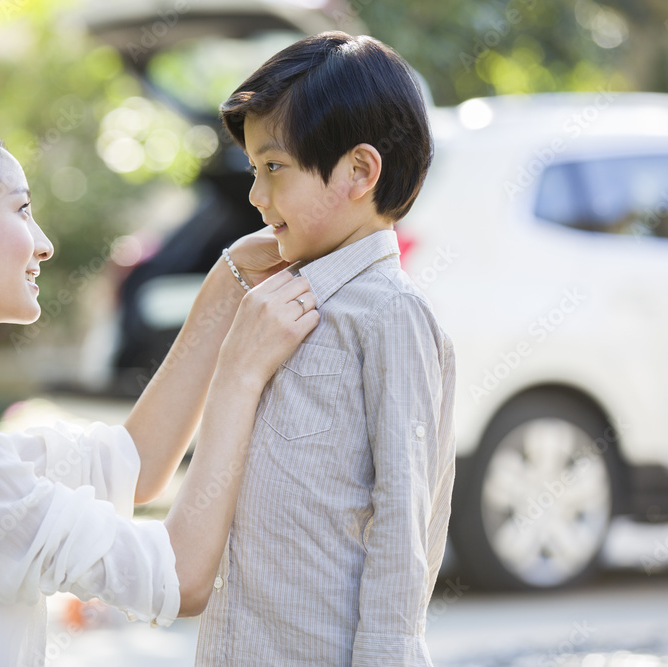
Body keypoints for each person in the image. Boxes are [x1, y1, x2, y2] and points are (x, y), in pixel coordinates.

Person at [0, 115, 318, 666]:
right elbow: (180, 577)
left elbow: (135, 465)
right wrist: (241, 372)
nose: (42, 245)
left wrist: (229, 276)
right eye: (22, 209)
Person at [195, 32, 457, 665]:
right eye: (255, 171)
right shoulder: (276, 304)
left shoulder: (390, 316)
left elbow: (404, 514)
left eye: (275, 168)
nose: (257, 197)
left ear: (360, 171)